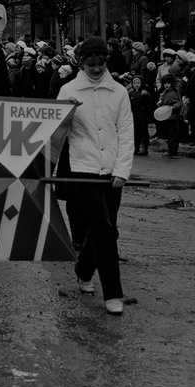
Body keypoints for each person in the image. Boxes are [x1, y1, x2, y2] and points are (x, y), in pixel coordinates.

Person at [57, 36, 134, 316]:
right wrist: (66, 111)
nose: (97, 69)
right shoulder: (67, 90)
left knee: (107, 228)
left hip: (112, 170)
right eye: (91, 64)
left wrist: (122, 171)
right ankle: (113, 293)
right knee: (103, 229)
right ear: (81, 63)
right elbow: (56, 135)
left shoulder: (119, 92)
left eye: (101, 64)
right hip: (83, 169)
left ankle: (83, 268)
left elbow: (126, 134)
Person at [156, 74, 182, 157]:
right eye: (165, 83)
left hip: (173, 117)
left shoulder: (174, 92)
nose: (166, 85)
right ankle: (171, 149)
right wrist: (160, 102)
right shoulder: (163, 93)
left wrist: (172, 107)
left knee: (173, 134)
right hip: (166, 117)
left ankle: (172, 151)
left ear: (171, 83)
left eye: (168, 83)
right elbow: (163, 103)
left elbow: (180, 103)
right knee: (169, 134)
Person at [128, 75, 152, 156]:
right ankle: (135, 147)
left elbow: (149, 105)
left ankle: (144, 147)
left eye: (138, 82)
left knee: (143, 131)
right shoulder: (130, 93)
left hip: (143, 115)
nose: (137, 84)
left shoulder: (145, 93)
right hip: (134, 114)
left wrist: (147, 115)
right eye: (135, 83)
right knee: (135, 131)